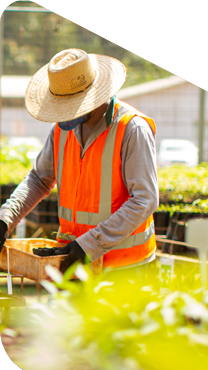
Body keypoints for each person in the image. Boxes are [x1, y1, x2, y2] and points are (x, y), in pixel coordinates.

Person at [0, 49, 158, 273]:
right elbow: (39, 179)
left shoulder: (131, 129)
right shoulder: (61, 130)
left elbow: (144, 200)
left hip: (124, 269)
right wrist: (6, 218)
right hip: (73, 261)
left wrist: (89, 244)